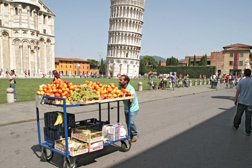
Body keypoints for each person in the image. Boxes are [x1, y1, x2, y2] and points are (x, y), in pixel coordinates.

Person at [119, 75, 139, 142]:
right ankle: (130, 135)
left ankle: (135, 135)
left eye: (121, 80)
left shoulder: (130, 88)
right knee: (127, 122)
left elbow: (131, 97)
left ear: (126, 81)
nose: (119, 81)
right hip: (126, 108)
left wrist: (130, 102)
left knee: (131, 122)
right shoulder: (120, 87)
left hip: (133, 108)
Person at [233, 69, 252, 136]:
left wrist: (235, 100)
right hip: (250, 102)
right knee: (248, 117)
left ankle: (236, 125)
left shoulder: (241, 81)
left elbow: (237, 91)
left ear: (244, 74)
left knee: (238, 115)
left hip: (242, 101)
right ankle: (248, 131)